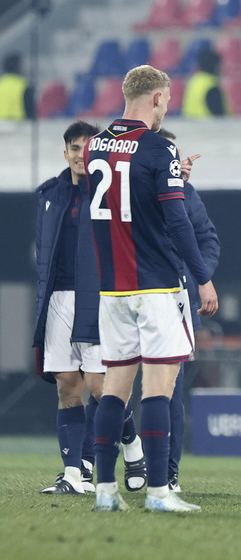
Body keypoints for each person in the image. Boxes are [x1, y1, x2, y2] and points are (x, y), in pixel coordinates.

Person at [86, 64, 218, 513]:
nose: (167, 108)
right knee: (159, 388)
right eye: (167, 100)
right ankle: (160, 493)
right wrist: (203, 277)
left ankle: (105, 490)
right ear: (158, 98)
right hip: (157, 285)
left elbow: (125, 199)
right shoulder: (158, 148)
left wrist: (169, 172)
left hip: (113, 288)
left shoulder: (95, 147)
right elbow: (178, 223)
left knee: (115, 387)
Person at [33, 121, 146, 495]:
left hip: (98, 298)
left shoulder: (113, 193)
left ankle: (132, 446)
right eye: (74, 147)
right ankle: (73, 475)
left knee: (101, 387)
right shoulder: (50, 194)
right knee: (67, 385)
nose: (81, 154)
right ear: (65, 152)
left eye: (87, 146)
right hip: (58, 300)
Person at [156, 127, 221, 492]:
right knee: (109, 384)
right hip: (123, 292)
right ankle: (115, 459)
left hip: (171, 296)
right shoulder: (125, 191)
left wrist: (199, 276)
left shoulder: (187, 195)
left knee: (170, 385)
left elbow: (207, 239)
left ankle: (168, 471)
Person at [182, 47, 227, 118]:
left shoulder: (193, 82)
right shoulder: (211, 86)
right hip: (207, 127)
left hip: (189, 126)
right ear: (216, 66)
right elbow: (220, 118)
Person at [0, 51, 33, 120]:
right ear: (17, 67)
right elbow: (30, 112)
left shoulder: (1, 84)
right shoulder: (24, 86)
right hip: (20, 127)